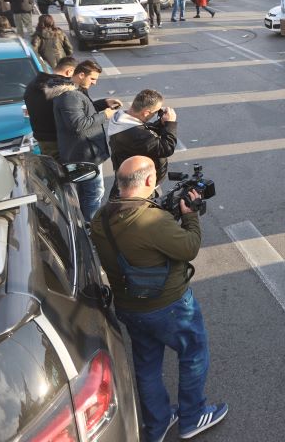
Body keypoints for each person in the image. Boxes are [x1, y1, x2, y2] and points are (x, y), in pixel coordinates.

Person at [90, 156, 228, 441]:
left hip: (129, 306)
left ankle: (158, 422)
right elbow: (189, 247)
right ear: (150, 181)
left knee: (147, 364)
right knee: (193, 353)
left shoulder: (100, 219)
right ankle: (192, 417)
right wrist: (190, 215)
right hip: (169, 307)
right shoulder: (152, 220)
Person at [54, 59, 121, 222]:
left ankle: (86, 223)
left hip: (85, 153)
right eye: (92, 79)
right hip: (83, 156)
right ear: (81, 74)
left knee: (87, 192)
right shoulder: (70, 96)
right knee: (93, 193)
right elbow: (78, 124)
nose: (95, 83)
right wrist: (105, 115)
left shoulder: (77, 91)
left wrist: (102, 104)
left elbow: (84, 111)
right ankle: (91, 225)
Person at [107, 89, 179, 182]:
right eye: (156, 111)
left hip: (131, 176)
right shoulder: (135, 134)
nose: (157, 114)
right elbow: (166, 149)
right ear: (146, 113)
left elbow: (145, 130)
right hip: (138, 184)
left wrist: (161, 123)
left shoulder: (122, 118)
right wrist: (170, 124)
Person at [23, 56, 77, 159]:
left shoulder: (32, 85)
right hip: (58, 139)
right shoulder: (61, 89)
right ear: (69, 71)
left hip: (41, 137)